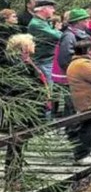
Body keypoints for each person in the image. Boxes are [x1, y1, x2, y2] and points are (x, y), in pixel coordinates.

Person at [0, 34, 48, 185]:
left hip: (28, 108)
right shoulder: (13, 65)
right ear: (24, 47)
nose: (34, 44)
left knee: (19, 144)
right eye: (32, 42)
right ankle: (13, 177)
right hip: (19, 111)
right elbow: (16, 89)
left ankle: (14, 175)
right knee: (16, 143)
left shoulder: (25, 61)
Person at [51, 9, 91, 119]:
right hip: (69, 76)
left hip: (78, 74)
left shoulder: (81, 34)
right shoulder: (69, 36)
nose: (88, 21)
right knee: (72, 104)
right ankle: (71, 129)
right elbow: (64, 58)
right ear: (78, 21)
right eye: (85, 19)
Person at [28, 0, 62, 84]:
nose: (53, 10)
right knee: (50, 88)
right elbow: (57, 35)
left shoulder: (45, 22)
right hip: (43, 61)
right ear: (43, 9)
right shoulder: (36, 24)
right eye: (51, 8)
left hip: (50, 59)